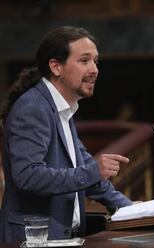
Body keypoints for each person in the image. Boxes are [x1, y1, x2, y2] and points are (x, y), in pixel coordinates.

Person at [0, 26, 133, 242]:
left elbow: (85, 171)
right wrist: (93, 171)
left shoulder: (62, 109)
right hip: (34, 240)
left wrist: (130, 209)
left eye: (95, 61)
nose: (94, 69)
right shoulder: (34, 108)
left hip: (61, 238)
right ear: (56, 66)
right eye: (84, 60)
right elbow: (29, 176)